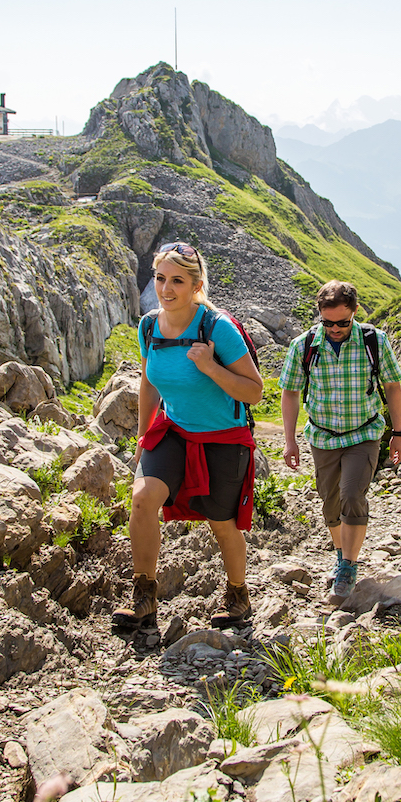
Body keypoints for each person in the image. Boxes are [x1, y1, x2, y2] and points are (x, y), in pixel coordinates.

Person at [110, 242, 266, 633]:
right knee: (143, 500)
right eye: (160, 278)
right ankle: (144, 599)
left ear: (196, 285)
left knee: (221, 523)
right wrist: (144, 437)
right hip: (173, 431)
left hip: (223, 438)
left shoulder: (217, 328)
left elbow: (253, 392)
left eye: (177, 281)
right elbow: (148, 384)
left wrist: (211, 367)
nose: (166, 289)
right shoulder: (149, 326)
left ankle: (237, 594)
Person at [278, 280, 401, 603]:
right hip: (322, 437)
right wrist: (290, 440)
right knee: (330, 504)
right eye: (328, 322)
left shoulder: (373, 341)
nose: (335, 329)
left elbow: (392, 386)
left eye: (343, 322)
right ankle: (340, 553)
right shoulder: (304, 346)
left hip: (363, 434)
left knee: (351, 495)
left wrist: (398, 433)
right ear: (320, 315)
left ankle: (348, 564)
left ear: (355, 312)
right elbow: (290, 392)